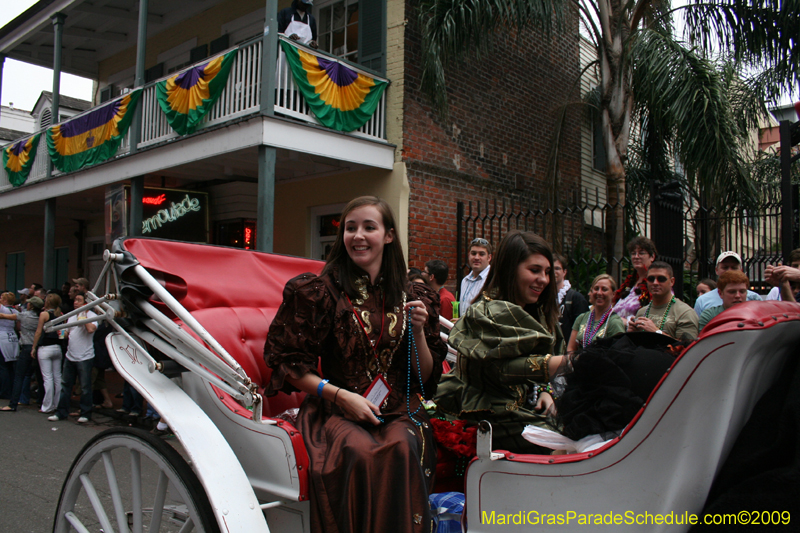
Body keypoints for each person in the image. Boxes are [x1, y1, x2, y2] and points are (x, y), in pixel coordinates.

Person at [265, 196, 447, 533]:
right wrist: (339, 396)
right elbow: (288, 365)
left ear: (388, 236)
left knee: (403, 448)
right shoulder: (320, 292)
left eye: (369, 227)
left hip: (396, 409)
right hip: (336, 407)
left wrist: (419, 332)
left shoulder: (412, 296)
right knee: (358, 451)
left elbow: (423, 375)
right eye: (350, 228)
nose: (358, 236)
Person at [434, 231, 574, 453]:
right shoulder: (485, 312)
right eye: (535, 270)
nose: (544, 280)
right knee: (566, 443)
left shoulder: (539, 313)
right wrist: (568, 363)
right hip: (484, 412)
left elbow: (553, 349)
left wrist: (547, 391)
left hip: (521, 408)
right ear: (510, 269)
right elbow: (500, 368)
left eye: (547, 272)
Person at [49, 293, 97, 423]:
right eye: (75, 300)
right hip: (70, 355)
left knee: (85, 387)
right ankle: (61, 412)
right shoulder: (71, 316)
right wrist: (62, 333)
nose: (75, 302)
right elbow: (68, 333)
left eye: (79, 300)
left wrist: (83, 317)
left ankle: (85, 413)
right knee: (65, 385)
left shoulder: (93, 316)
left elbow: (91, 329)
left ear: (86, 304)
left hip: (85, 356)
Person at [628, 262, 698, 341]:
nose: (655, 283)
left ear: (672, 281)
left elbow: (687, 348)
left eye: (661, 279)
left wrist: (656, 332)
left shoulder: (685, 313)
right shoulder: (642, 312)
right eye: (651, 279)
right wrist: (632, 334)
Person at [0, 296, 44, 411]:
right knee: (39, 376)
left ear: (32, 306)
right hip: (39, 347)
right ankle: (41, 401)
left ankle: (13, 403)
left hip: (26, 347)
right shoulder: (42, 316)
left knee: (19, 376)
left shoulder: (24, 315)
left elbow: (5, 316)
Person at [567, 274, 626, 352]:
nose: (599, 293)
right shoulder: (581, 318)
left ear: (613, 294)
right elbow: (570, 349)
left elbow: (618, 354)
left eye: (604, 289)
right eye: (596, 289)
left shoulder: (614, 322)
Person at [694, 252, 762, 315]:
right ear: (716, 270)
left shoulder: (755, 298)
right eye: (725, 267)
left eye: (734, 268)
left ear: (741, 270)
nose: (729, 271)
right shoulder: (702, 300)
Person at [612, 237, 657, 321]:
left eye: (641, 253)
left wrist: (627, 323)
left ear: (652, 256)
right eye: (633, 253)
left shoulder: (656, 283)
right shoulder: (630, 283)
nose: (636, 256)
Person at [32, 293, 63, 414]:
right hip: (57, 347)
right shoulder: (60, 315)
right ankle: (57, 403)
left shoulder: (44, 314)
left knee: (47, 378)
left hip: (45, 347)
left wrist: (34, 347)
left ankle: (47, 406)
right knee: (57, 377)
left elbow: (38, 332)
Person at [553, 253, 589, 343]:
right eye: (550, 269)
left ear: (564, 272)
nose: (554, 272)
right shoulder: (542, 297)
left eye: (557, 268)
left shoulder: (576, 298)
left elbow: (583, 330)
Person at [459, 237, 492, 313]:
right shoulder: (465, 281)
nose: (476, 257)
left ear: (489, 257)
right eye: (473, 253)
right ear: (468, 255)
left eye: (481, 254)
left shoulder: (492, 280)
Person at [0, 292, 20, 399]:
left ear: (5, 300)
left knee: (2, 366)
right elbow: (18, 327)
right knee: (11, 366)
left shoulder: (2, 309)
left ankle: (4, 391)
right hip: (13, 337)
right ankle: (12, 389)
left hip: (2, 337)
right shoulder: (15, 311)